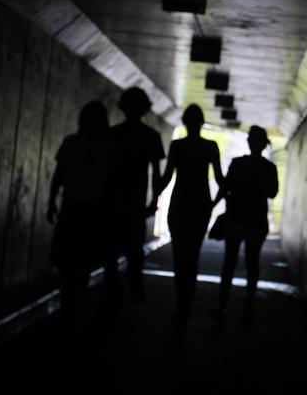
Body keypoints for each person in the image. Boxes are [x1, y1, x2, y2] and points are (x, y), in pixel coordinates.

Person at [46, 101, 118, 334]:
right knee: (85, 259)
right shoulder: (109, 146)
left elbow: (59, 175)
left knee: (66, 258)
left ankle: (69, 303)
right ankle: (75, 303)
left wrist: (51, 202)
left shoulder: (71, 143)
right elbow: (114, 181)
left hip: (72, 206)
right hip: (95, 209)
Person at [156, 104, 224, 323]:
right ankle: (188, 299)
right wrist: (214, 203)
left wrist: (150, 199)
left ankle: (181, 301)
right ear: (201, 122)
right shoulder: (210, 147)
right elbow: (221, 181)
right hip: (200, 205)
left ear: (184, 122)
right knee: (192, 254)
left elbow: (166, 178)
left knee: (179, 254)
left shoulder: (177, 147)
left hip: (179, 204)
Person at [210, 125, 278, 326]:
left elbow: (225, 188)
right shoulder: (269, 168)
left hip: (236, 219)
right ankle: (248, 309)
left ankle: (222, 306)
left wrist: (211, 206)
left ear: (250, 142)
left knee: (229, 263)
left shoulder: (237, 164)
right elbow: (272, 193)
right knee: (252, 264)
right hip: (256, 221)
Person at [110, 87, 165, 305]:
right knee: (134, 254)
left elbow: (106, 170)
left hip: (113, 203)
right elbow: (156, 175)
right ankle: (135, 294)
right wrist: (153, 203)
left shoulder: (113, 134)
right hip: (136, 204)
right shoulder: (151, 136)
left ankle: (115, 294)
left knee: (111, 252)